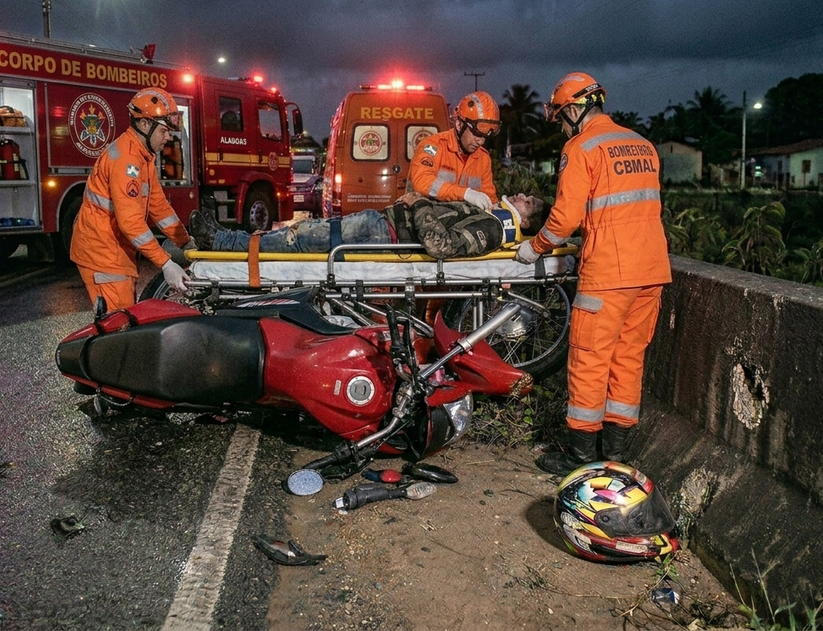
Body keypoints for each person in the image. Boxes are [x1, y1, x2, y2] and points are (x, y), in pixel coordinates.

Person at [514, 72, 672, 476]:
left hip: (609, 272)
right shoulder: (642, 144)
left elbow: (565, 217)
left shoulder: (582, 147)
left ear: (573, 110)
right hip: (652, 269)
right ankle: (615, 453)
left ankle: (581, 456)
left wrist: (535, 247)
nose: (561, 127)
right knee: (628, 359)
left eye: (560, 117)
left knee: (589, 359)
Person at [70, 87, 196, 310]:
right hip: (104, 254)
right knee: (119, 323)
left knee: (125, 318)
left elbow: (159, 207)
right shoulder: (126, 160)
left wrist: (185, 242)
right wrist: (166, 263)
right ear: (145, 124)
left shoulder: (143, 156)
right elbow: (130, 223)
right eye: (164, 130)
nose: (169, 137)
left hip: (114, 250)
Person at [188, 192, 543, 259]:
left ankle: (220, 241)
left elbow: (440, 245)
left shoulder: (493, 228)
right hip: (380, 226)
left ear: (525, 221)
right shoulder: (490, 216)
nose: (521, 194)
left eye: (528, 201)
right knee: (298, 236)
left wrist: (418, 203)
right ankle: (226, 238)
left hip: (383, 233)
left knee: (297, 238)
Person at [409, 92, 502, 212]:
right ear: (459, 124)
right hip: (424, 217)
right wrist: (465, 194)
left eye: (485, 136)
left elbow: (490, 198)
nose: (480, 141)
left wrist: (500, 209)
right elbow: (422, 181)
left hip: (459, 221)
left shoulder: (483, 158)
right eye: (476, 134)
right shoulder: (434, 145)